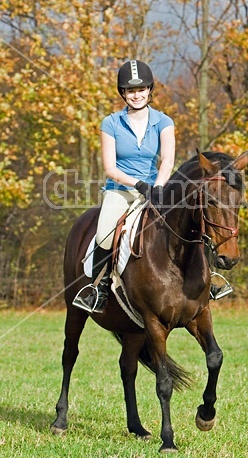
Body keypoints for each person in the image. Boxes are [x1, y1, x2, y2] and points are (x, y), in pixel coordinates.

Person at [74, 59, 175, 314]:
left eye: (141, 90)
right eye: (131, 91)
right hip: (121, 190)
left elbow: (168, 160)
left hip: (155, 189)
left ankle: (208, 282)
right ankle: (98, 289)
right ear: (123, 93)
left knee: (190, 222)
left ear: (150, 90)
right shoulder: (111, 123)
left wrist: (159, 187)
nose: (137, 95)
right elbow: (110, 168)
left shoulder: (164, 122)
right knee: (105, 234)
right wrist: (139, 184)